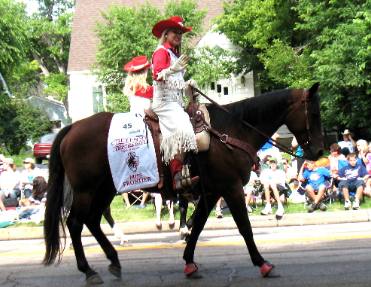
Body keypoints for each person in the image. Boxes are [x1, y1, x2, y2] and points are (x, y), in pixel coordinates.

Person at [151, 15, 199, 191]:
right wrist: (171, 69)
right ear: (166, 34)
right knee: (182, 129)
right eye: (175, 32)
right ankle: (177, 175)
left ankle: (188, 170)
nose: (179, 35)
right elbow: (157, 75)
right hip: (164, 103)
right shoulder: (161, 52)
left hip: (175, 102)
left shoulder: (173, 54)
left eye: (181, 32)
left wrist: (189, 86)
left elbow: (176, 84)